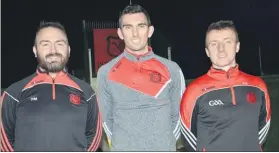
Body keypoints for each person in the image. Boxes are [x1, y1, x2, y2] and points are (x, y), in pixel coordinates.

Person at [0, 22, 102, 151]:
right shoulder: (13, 93)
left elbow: (94, 138)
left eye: (59, 44)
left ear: (68, 50)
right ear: (35, 51)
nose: (53, 50)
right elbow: (4, 139)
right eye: (45, 44)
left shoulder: (87, 92)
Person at [96, 4, 185, 151]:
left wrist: (164, 143)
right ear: (120, 33)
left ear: (150, 31)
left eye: (141, 26)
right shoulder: (105, 72)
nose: (135, 34)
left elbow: (179, 115)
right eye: (128, 27)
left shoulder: (172, 69)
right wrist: (124, 145)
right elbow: (105, 119)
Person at [180, 20, 271, 151]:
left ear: (237, 46)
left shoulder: (258, 86)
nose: (221, 49)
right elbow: (188, 137)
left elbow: (263, 128)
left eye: (227, 42)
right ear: (207, 51)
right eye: (214, 44)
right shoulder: (194, 90)